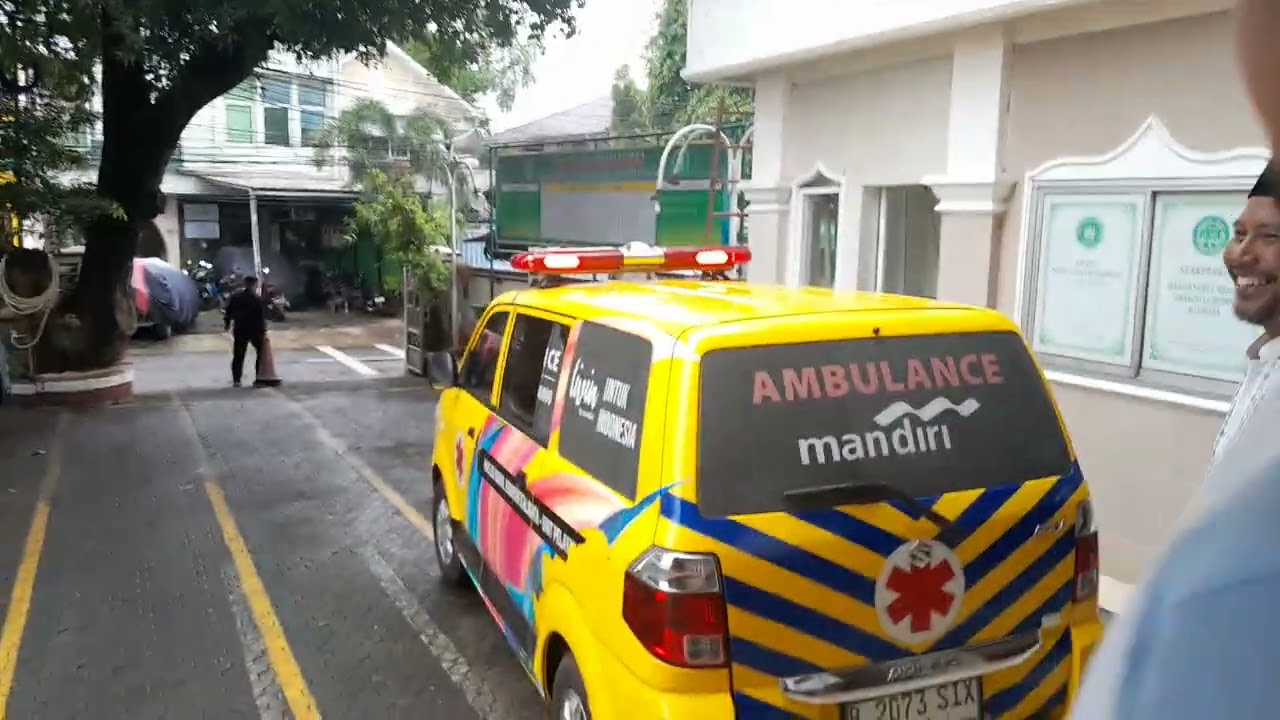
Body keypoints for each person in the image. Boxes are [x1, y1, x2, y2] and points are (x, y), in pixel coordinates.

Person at [223, 275, 268, 388]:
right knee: (260, 353)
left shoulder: (236, 297)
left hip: (240, 328)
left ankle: (237, 380)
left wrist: (227, 324)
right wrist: (263, 330)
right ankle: (259, 377)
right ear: (255, 285)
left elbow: (228, 311)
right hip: (255, 330)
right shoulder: (257, 299)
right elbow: (261, 316)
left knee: (238, 355)